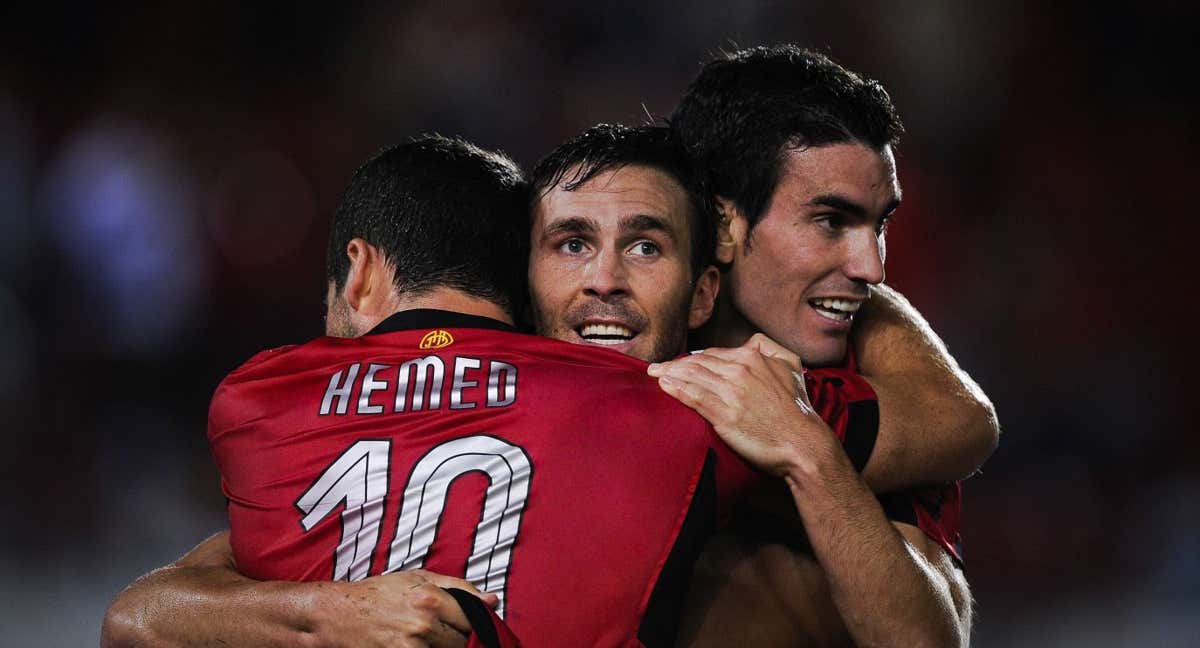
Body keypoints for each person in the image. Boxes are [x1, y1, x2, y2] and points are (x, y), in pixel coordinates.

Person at [102, 125, 991, 646]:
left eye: (645, 246)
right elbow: (143, 612)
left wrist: (803, 437)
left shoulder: (264, 401)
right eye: (572, 245)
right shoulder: (681, 421)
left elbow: (139, 618)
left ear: (705, 290)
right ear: (524, 285)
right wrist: (337, 612)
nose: (603, 279)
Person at [658, 45, 997, 646]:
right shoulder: (600, 320)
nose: (872, 267)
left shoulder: (887, 382)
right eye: (832, 221)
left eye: (880, 224)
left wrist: (804, 447)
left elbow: (927, 641)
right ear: (722, 222)